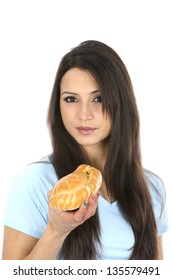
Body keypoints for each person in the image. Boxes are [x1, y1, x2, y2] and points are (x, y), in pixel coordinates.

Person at [2, 40, 168, 260]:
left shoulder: (151, 187)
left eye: (98, 98)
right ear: (57, 105)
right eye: (71, 99)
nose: (84, 114)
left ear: (121, 102)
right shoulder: (36, 181)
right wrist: (56, 231)